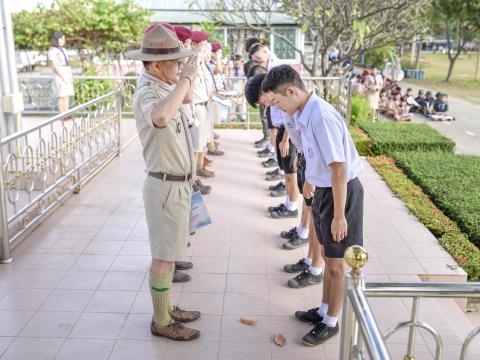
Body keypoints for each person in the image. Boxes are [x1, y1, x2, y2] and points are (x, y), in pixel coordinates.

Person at [262, 65, 364, 346]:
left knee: (335, 264)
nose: (278, 109)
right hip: (324, 188)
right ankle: (322, 310)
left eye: (279, 102)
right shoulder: (303, 112)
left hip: (340, 192)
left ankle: (330, 322)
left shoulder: (320, 115)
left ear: (292, 91)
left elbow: (340, 168)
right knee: (327, 254)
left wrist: (340, 215)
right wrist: (310, 180)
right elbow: (312, 153)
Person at [126, 23, 201, 341]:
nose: (180, 66)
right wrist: (184, 78)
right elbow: (160, 117)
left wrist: (185, 77)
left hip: (177, 185)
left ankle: (166, 307)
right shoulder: (147, 92)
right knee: (162, 258)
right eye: (174, 61)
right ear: (155, 64)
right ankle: (161, 321)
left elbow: (187, 100)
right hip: (165, 187)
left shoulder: (163, 87)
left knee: (170, 254)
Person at [48, 31, 74, 113]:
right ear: (57, 39)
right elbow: (55, 65)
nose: (64, 41)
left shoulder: (64, 50)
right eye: (62, 39)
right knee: (61, 95)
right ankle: (62, 114)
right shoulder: (52, 50)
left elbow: (68, 63)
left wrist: (70, 75)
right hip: (59, 72)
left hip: (66, 70)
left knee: (67, 94)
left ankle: (67, 113)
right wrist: (63, 76)